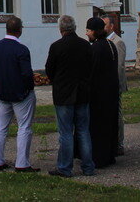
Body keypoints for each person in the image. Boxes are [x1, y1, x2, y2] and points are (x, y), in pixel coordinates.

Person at [0, 16, 39, 172]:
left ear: (6, 29)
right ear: (20, 30)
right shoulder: (21, 50)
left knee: (1, 127)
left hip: (2, 94)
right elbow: (26, 74)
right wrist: (29, 88)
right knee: (24, 127)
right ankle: (22, 163)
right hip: (20, 95)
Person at [45, 15, 95, 177]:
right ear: (74, 27)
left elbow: (49, 69)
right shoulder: (85, 45)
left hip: (64, 94)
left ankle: (65, 167)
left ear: (61, 29)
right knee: (83, 131)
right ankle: (88, 167)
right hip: (82, 92)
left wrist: (57, 81)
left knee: (66, 133)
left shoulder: (57, 47)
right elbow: (91, 67)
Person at [84, 16, 119, 168]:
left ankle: (99, 157)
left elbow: (92, 72)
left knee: (99, 127)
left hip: (99, 93)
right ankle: (110, 154)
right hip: (111, 91)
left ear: (95, 31)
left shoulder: (96, 48)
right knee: (110, 124)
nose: (87, 34)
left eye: (88, 31)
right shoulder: (110, 45)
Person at [102, 14, 127, 155]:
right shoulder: (103, 41)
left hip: (114, 83)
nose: (102, 27)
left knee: (117, 113)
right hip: (106, 84)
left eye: (105, 25)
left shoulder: (117, 42)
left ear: (111, 26)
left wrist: (113, 83)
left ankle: (119, 143)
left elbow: (119, 66)